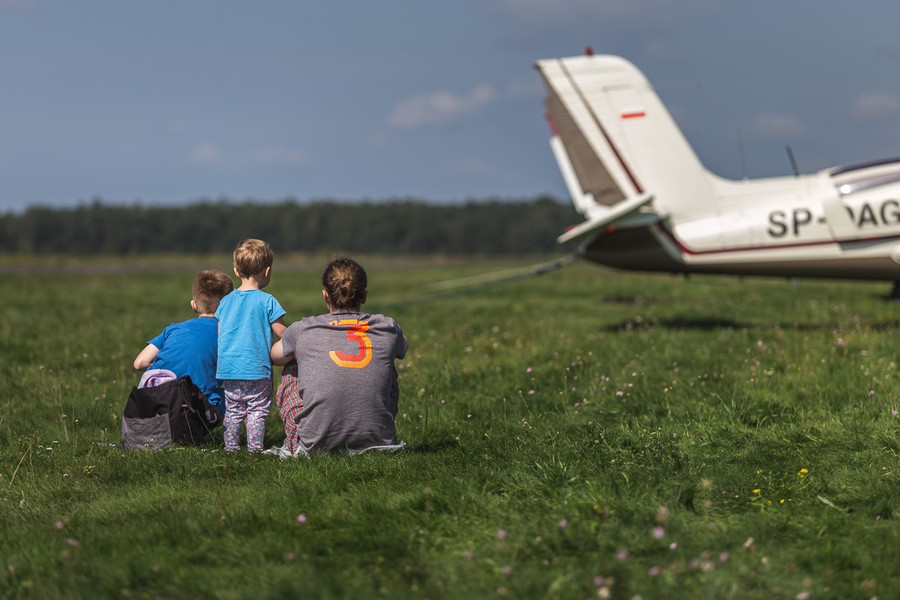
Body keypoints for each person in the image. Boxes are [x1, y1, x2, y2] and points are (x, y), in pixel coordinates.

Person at [268, 257, 408, 457]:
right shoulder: (387, 327)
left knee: (291, 366)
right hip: (379, 439)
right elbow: (404, 348)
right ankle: (372, 433)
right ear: (364, 296)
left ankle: (298, 439)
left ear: (326, 296)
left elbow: (275, 357)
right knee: (389, 365)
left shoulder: (304, 329)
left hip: (314, 443)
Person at [216, 239, 287, 452]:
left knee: (233, 410)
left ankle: (231, 448)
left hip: (229, 368)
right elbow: (282, 332)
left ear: (236, 271)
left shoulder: (225, 301)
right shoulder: (267, 301)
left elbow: (220, 332)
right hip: (257, 368)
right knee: (257, 410)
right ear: (267, 271)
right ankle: (255, 448)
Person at [132, 269, 234, 418]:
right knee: (236, 397)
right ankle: (243, 440)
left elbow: (139, 363)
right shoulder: (227, 334)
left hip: (158, 404)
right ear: (229, 306)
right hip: (199, 409)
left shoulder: (173, 329)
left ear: (193, 305)